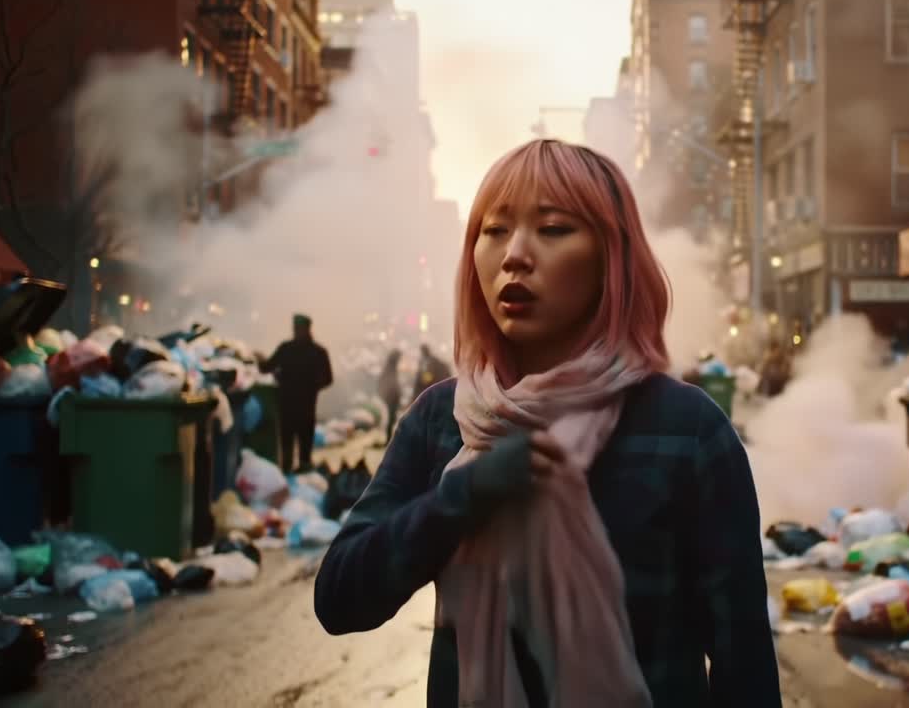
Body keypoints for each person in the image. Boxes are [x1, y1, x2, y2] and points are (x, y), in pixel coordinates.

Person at [315, 139, 780, 707]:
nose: (515, 255)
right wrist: (461, 498)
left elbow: (744, 664)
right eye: (494, 230)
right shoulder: (441, 419)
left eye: (554, 229)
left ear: (612, 256)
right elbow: (339, 600)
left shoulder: (686, 430)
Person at [264, 314, 333, 473]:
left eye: (298, 329)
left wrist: (311, 387)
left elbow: (267, 367)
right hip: (301, 407)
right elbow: (267, 366)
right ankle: (294, 472)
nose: (297, 331)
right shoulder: (315, 351)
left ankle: (296, 472)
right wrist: (313, 387)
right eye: (296, 329)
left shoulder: (289, 349)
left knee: (298, 447)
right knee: (295, 447)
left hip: (294, 406)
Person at [377, 349, 403, 445]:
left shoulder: (389, 367)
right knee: (392, 418)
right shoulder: (391, 368)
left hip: (391, 397)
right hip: (391, 397)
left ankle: (390, 440)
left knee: (393, 418)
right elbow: (390, 383)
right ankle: (389, 440)